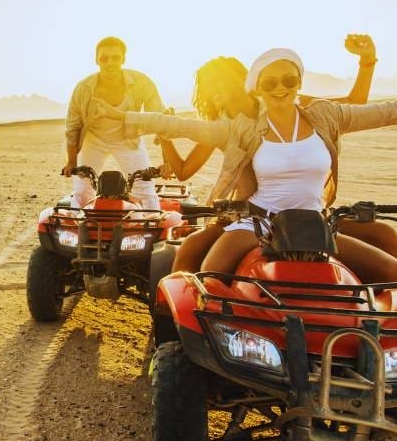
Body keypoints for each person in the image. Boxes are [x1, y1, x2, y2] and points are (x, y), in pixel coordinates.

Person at [90, 47, 397, 283]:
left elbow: (377, 110)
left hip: (315, 221)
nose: (280, 87)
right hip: (256, 218)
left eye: (289, 80)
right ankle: (175, 335)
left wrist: (367, 62)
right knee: (200, 265)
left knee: (387, 250)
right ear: (258, 85)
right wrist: (128, 119)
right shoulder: (235, 127)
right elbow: (178, 134)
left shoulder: (319, 113)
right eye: (270, 82)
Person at [63, 36, 165, 210]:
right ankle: (78, 231)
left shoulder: (141, 82)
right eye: (104, 58)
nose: (110, 63)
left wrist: (167, 161)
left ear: (123, 59)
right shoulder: (83, 88)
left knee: (144, 188)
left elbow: (161, 120)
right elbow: (73, 127)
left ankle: (151, 230)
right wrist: (71, 162)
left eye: (115, 57)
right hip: (93, 140)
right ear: (97, 60)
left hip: (128, 140)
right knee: (82, 191)